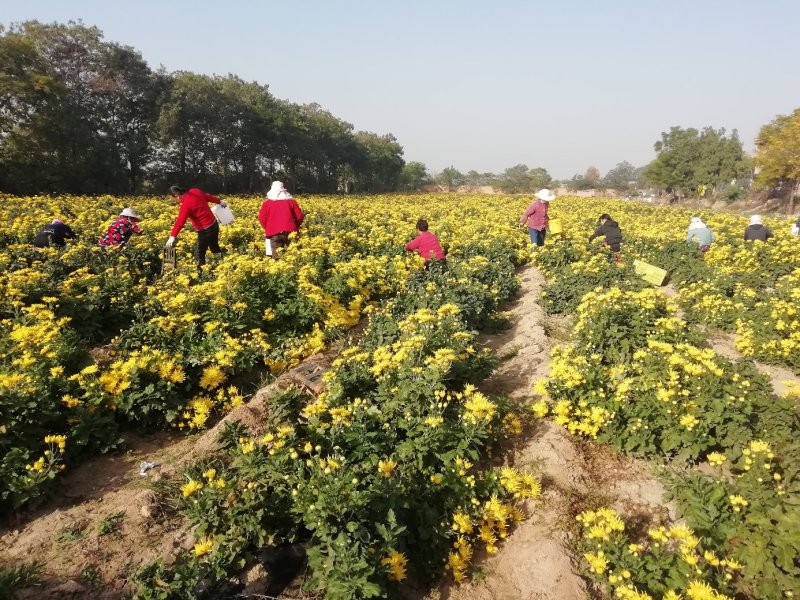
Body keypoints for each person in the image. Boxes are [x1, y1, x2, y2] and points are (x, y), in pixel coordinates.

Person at [165, 185, 227, 266]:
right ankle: (222, 264)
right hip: (214, 225)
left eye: (173, 199)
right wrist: (220, 201)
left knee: (199, 254)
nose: (174, 201)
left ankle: (201, 274)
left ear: (177, 196)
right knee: (214, 247)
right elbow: (208, 197)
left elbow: (180, 222)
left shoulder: (185, 205)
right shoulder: (195, 191)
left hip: (205, 231)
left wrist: (172, 237)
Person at [258, 181, 304, 259]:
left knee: (277, 259)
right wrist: (295, 227)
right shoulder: (292, 202)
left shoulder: (267, 203)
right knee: (294, 257)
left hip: (274, 234)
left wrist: (268, 228)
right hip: (291, 233)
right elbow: (299, 217)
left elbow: (261, 218)